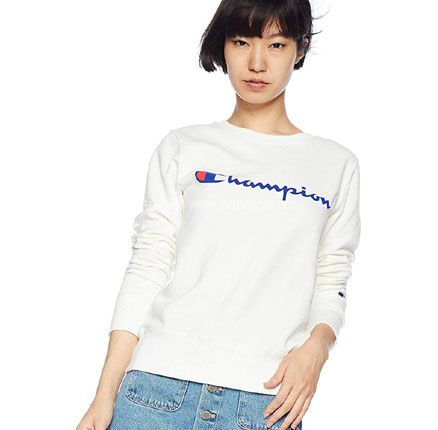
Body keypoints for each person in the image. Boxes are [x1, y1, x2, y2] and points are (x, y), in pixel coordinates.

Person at [76, 1, 361, 429]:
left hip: (266, 403)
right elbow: (148, 267)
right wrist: (103, 397)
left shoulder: (335, 164)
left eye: (276, 44)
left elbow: (333, 275)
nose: (257, 62)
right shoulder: (183, 147)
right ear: (223, 46)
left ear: (300, 49)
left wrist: (316, 350)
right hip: (156, 393)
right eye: (241, 42)